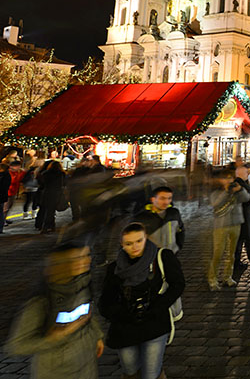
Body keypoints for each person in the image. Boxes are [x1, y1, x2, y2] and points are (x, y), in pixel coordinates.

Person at [5, 243, 104, 379]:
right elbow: (16, 346)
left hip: (87, 364)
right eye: (77, 258)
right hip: (57, 371)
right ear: (60, 264)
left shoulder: (83, 284)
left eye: (86, 256)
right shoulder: (40, 302)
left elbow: (87, 313)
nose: (86, 261)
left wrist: (97, 336)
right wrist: (55, 338)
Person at [100, 222, 184, 379]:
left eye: (139, 241)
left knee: (150, 374)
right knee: (130, 371)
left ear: (146, 238)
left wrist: (157, 307)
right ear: (122, 244)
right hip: (125, 327)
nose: (135, 247)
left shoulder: (162, 257)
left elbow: (178, 285)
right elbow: (105, 301)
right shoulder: (115, 268)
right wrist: (120, 313)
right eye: (129, 243)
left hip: (154, 323)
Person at [208, 174, 250, 290]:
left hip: (236, 224)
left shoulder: (237, 191)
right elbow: (215, 204)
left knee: (232, 253)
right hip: (221, 225)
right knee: (218, 253)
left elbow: (246, 198)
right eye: (225, 178)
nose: (228, 181)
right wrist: (226, 192)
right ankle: (213, 279)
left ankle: (228, 277)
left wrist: (240, 189)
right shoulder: (216, 191)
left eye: (230, 178)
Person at [133, 186, 184, 255]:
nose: (166, 202)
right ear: (153, 199)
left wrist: (178, 247)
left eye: (169, 198)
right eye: (162, 198)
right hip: (152, 257)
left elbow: (180, 230)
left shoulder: (174, 213)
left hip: (171, 255)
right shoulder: (141, 218)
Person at [35, 160, 66, 233]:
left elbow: (41, 183)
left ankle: (46, 226)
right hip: (57, 193)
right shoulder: (61, 174)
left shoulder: (45, 173)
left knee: (45, 209)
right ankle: (49, 225)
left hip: (47, 192)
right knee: (51, 211)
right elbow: (64, 183)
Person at [1, 160, 25, 230]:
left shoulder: (17, 172)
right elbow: (13, 181)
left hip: (13, 192)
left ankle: (4, 219)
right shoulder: (9, 173)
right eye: (18, 166)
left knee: (8, 207)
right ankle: (2, 221)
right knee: (5, 208)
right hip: (8, 192)